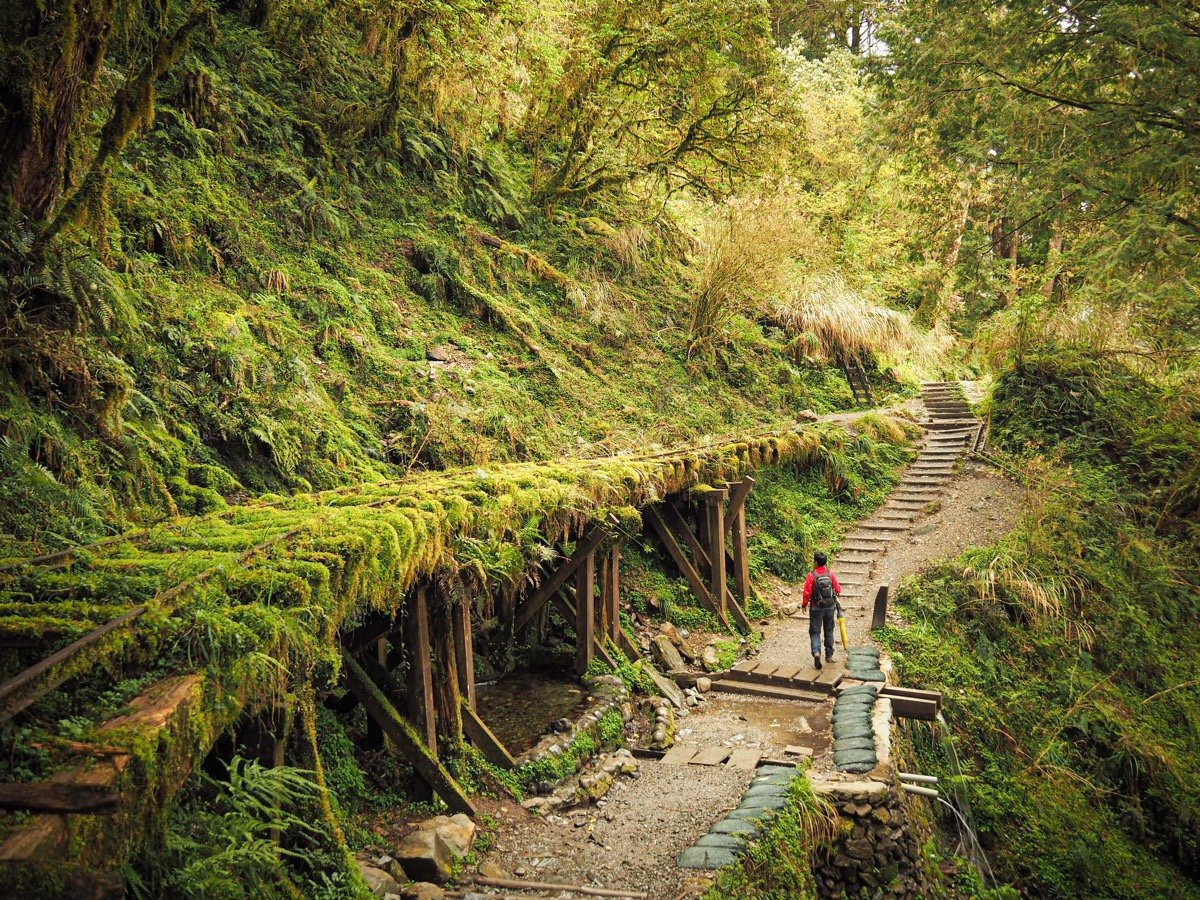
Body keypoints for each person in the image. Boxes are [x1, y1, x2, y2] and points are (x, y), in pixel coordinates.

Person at [801, 551, 841, 669]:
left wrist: (804, 604)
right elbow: (838, 589)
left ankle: (816, 652)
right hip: (830, 607)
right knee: (829, 630)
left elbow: (807, 592)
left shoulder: (811, 575)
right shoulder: (830, 574)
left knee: (815, 632)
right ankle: (829, 656)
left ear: (815, 562)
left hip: (816, 608)